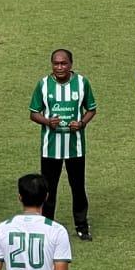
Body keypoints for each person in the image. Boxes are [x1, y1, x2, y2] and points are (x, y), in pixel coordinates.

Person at [29, 48, 96, 240]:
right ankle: (46, 225)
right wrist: (47, 122)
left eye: (63, 63)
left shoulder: (82, 83)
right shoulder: (43, 84)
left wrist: (82, 123)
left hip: (75, 147)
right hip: (50, 148)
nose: (60, 67)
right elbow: (33, 113)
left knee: (78, 187)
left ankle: (82, 226)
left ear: (71, 64)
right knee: (48, 188)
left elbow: (91, 109)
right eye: (56, 64)